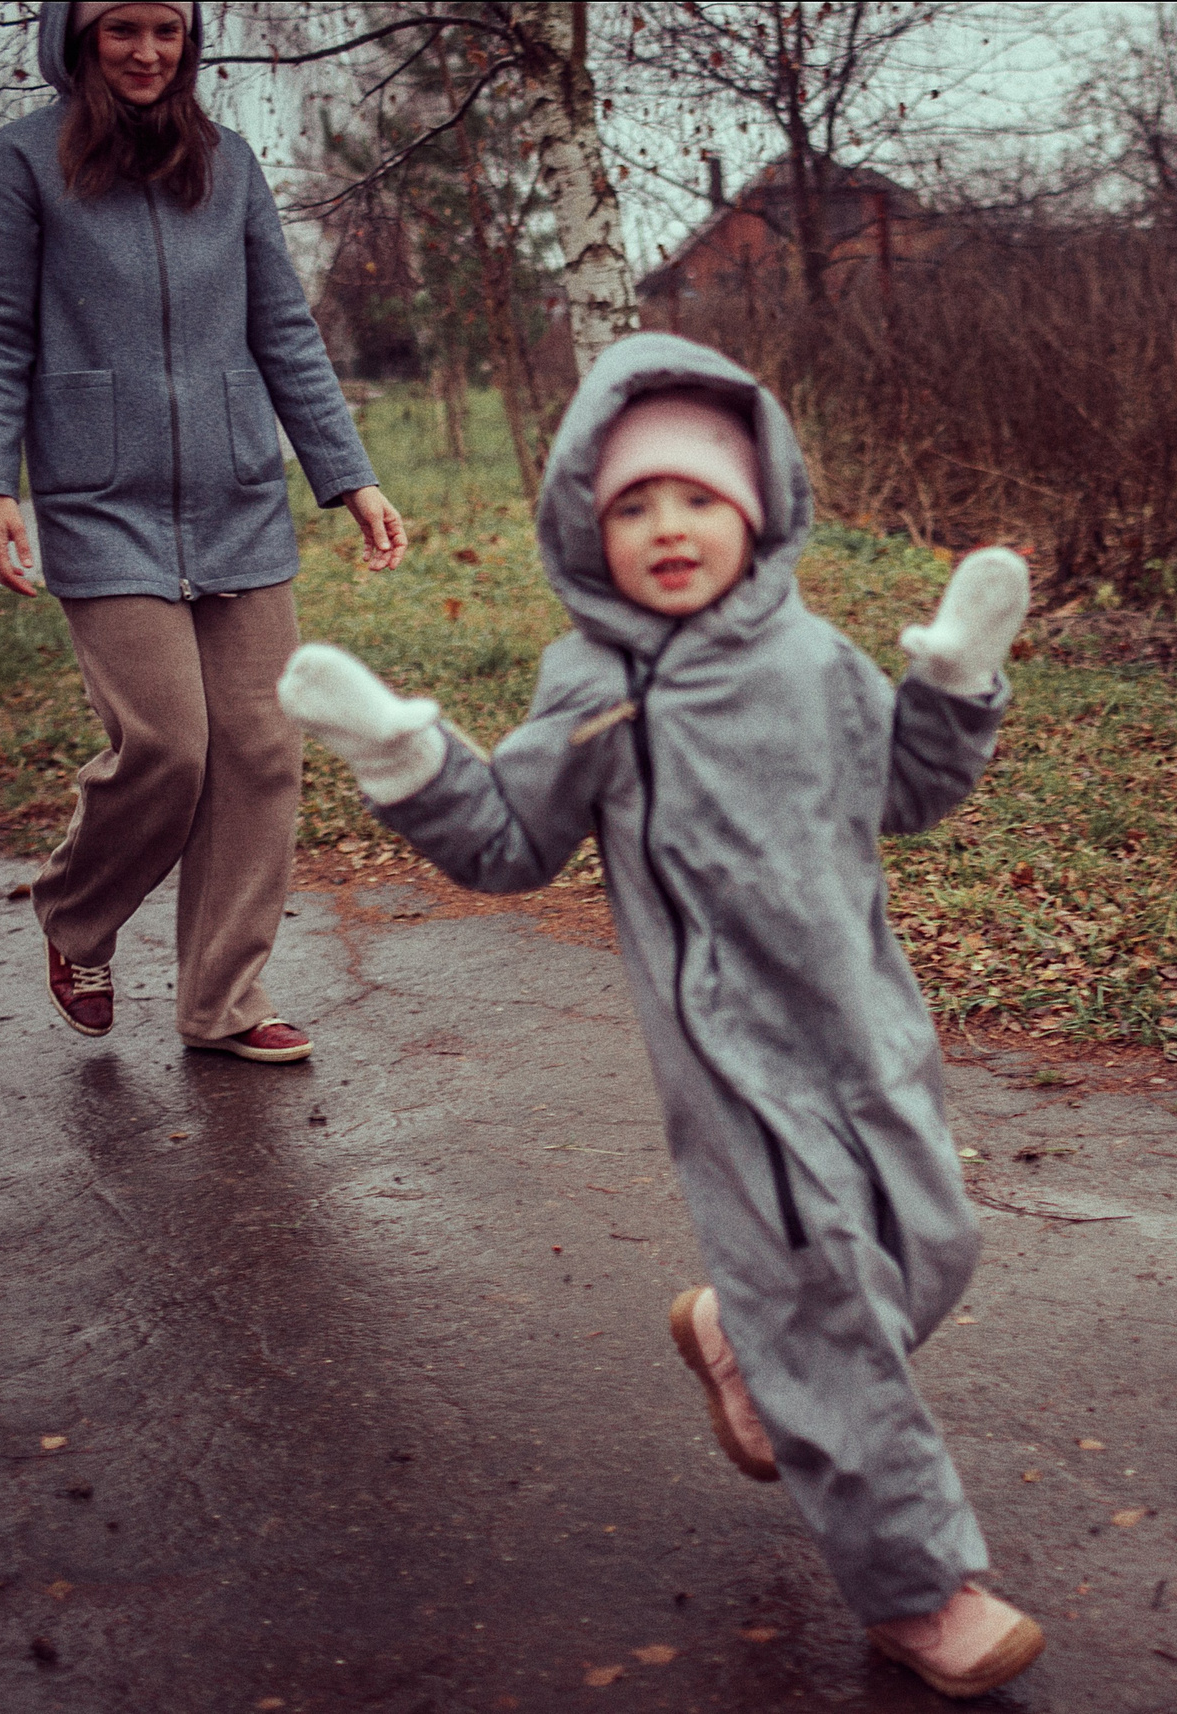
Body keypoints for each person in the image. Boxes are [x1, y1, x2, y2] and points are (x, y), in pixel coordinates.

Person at [275, 333, 1041, 1698]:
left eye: (697, 496)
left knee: (930, 1251)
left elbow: (910, 793)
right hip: (735, 1068)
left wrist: (956, 683)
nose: (669, 526)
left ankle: (742, 1338)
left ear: (758, 506)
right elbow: (508, 843)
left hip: (869, 1029)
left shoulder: (814, 659)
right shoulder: (599, 689)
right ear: (588, 526)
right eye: (634, 505)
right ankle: (921, 1591)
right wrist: (407, 756)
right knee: (830, 1311)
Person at [0, 1, 407, 1064]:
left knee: (260, 751)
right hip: (100, 497)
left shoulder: (228, 162)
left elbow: (283, 328)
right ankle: (77, 913)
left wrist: (349, 476)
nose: (148, 51)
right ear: (78, 38)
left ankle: (224, 1001)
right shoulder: (23, 162)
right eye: (123, 29)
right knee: (167, 745)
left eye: (167, 29)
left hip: (235, 494)